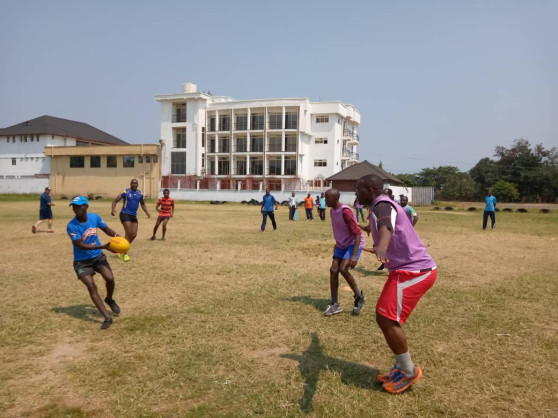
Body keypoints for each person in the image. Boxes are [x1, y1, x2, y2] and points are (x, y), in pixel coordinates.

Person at [356, 174, 436, 394]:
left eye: (359, 189)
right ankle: (403, 367)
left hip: (415, 270)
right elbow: (383, 225)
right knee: (385, 316)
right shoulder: (380, 206)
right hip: (404, 270)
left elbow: (386, 226)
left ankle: (409, 371)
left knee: (387, 317)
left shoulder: (382, 204)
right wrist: (367, 230)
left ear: (371, 189)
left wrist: (381, 246)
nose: (356, 193)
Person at [67, 196, 121, 330]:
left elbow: (107, 229)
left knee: (110, 278)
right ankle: (107, 317)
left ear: (86, 206)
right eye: (73, 206)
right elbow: (81, 245)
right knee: (91, 285)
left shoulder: (94, 218)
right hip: (81, 261)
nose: (75, 209)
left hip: (97, 257)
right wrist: (103, 246)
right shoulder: (71, 226)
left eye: (78, 206)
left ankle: (109, 299)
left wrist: (118, 238)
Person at [323, 189, 366, 316]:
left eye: (327, 198)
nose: (325, 200)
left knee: (343, 269)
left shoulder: (345, 211)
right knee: (333, 270)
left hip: (353, 243)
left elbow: (357, 233)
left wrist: (354, 255)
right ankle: (335, 304)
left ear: (334, 199)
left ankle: (359, 297)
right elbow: (340, 228)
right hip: (342, 244)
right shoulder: (332, 210)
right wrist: (338, 242)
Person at [111, 179, 151, 262]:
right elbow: (115, 200)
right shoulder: (126, 192)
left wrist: (147, 212)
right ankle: (124, 254)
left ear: (137, 185)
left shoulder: (140, 193)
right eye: (132, 183)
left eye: (135, 183)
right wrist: (113, 209)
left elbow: (142, 203)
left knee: (134, 234)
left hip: (133, 216)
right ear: (130, 184)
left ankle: (120, 249)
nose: (134, 184)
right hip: (125, 214)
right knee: (128, 234)